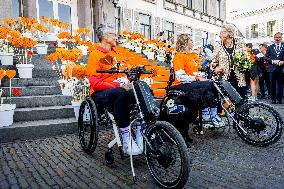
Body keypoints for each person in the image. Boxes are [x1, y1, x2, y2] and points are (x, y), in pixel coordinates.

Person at [87, 24, 143, 155]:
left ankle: (141, 133)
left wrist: (131, 80)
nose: (116, 37)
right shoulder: (94, 55)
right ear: (105, 37)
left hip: (118, 90)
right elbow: (95, 84)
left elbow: (124, 74)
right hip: (100, 93)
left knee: (142, 88)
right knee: (121, 93)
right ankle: (126, 140)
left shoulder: (116, 54)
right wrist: (118, 85)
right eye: (113, 34)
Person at [171, 34, 224, 139]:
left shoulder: (193, 55)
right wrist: (197, 78)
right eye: (190, 40)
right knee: (207, 85)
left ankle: (213, 113)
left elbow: (199, 70)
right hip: (181, 84)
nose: (192, 41)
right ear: (185, 43)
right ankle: (207, 114)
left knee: (214, 83)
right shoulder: (179, 56)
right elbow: (181, 76)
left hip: (191, 81)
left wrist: (205, 74)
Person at [211, 24, 247, 98]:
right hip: (224, 78)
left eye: (223, 32)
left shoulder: (240, 42)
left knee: (241, 100)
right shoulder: (218, 46)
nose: (220, 35)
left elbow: (245, 57)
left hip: (239, 77)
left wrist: (243, 64)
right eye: (220, 32)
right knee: (225, 101)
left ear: (230, 33)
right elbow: (213, 62)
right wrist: (216, 67)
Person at [266, 32, 284, 104]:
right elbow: (266, 57)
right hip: (272, 68)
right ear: (274, 38)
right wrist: (273, 61)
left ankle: (279, 99)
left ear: (281, 38)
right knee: (272, 84)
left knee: (280, 84)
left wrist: (283, 61)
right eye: (276, 37)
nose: (278, 39)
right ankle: (273, 99)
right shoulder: (270, 47)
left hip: (281, 68)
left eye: (279, 37)